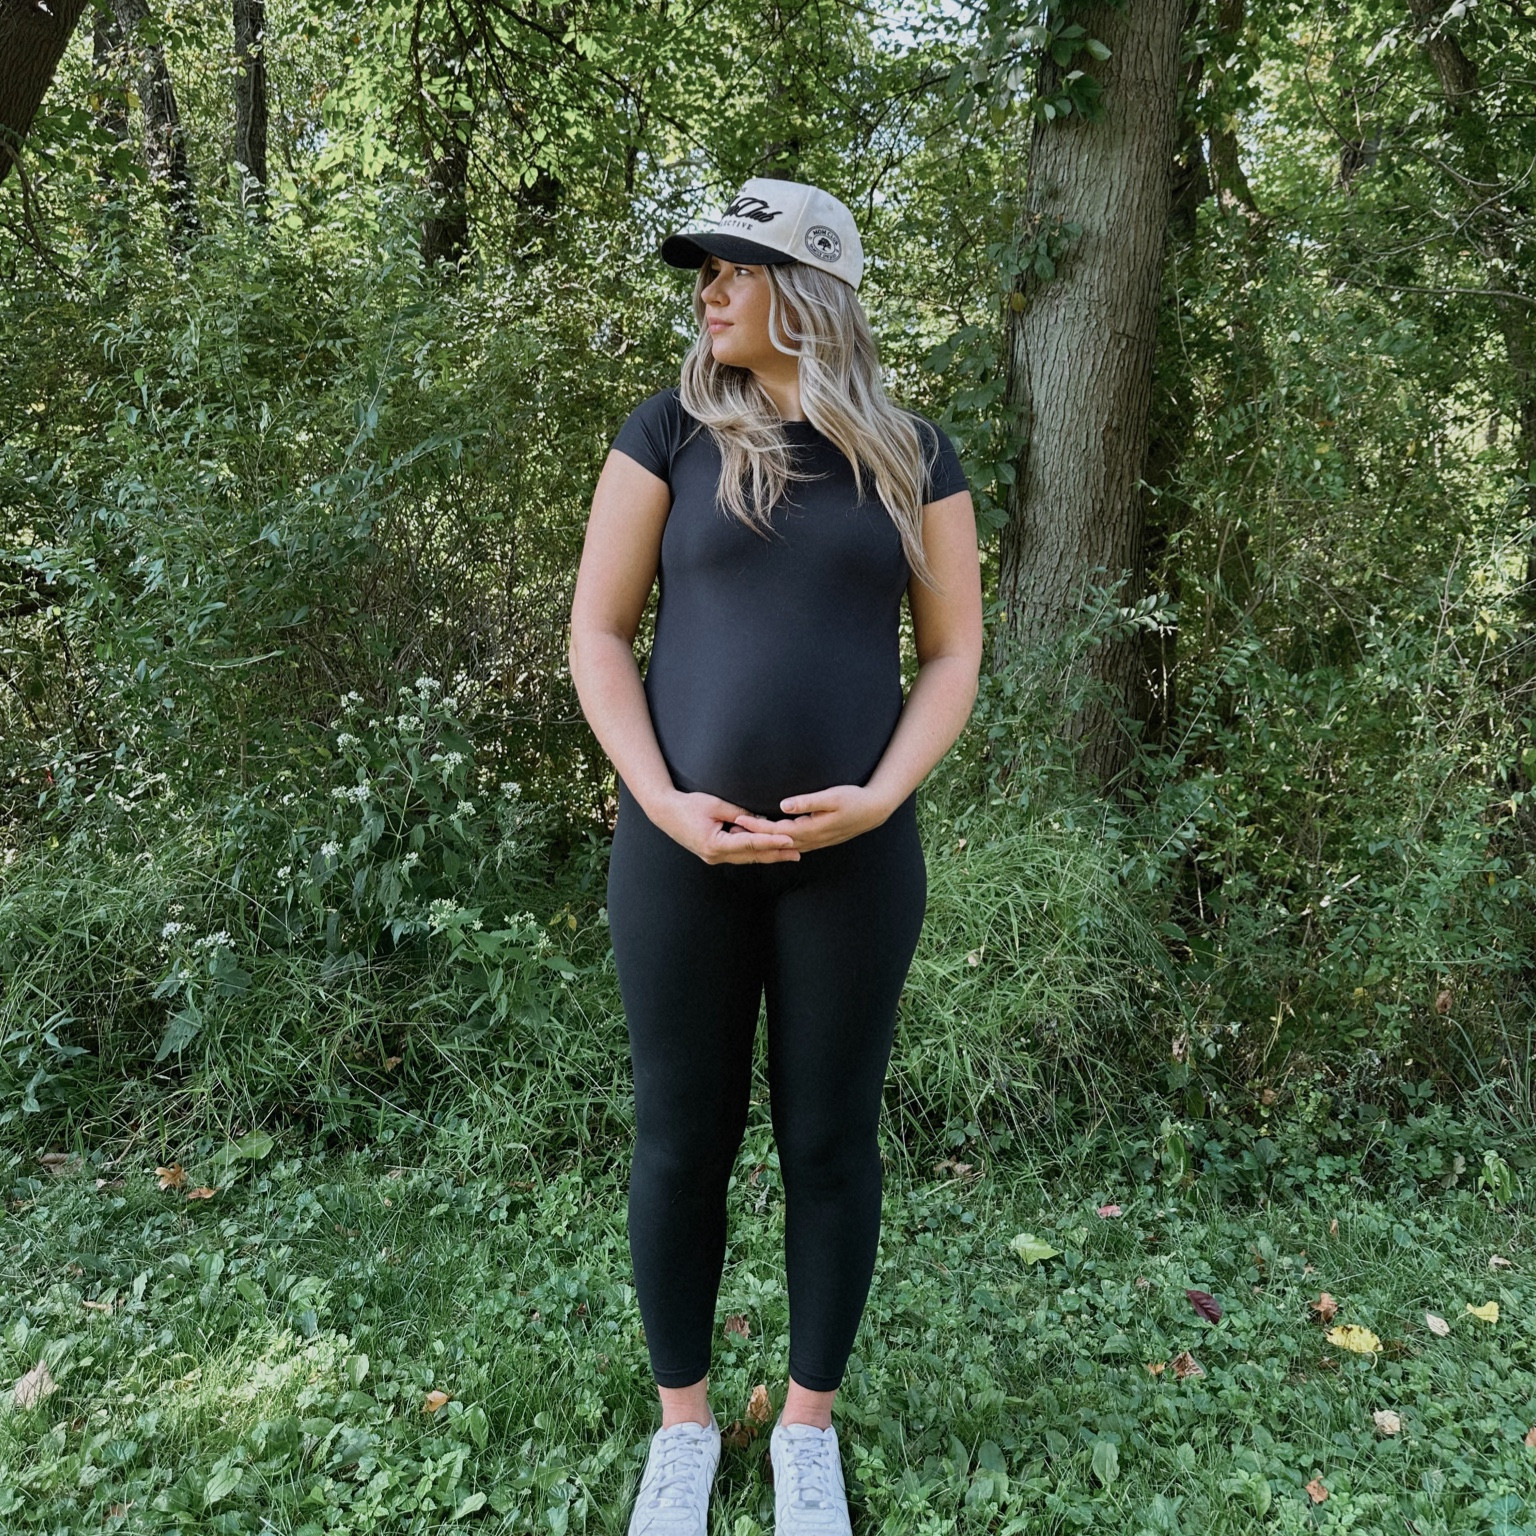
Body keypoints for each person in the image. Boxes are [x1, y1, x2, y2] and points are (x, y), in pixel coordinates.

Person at [568, 176, 983, 1536]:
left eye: (734, 266)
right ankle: (683, 1429)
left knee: (829, 1140)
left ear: (808, 283)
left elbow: (956, 654)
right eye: (704, 269)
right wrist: (662, 801)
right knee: (682, 1139)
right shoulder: (666, 435)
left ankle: (808, 1428)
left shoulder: (913, 454)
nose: (707, 287)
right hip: (678, 858)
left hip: (854, 867)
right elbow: (597, 636)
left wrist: (881, 795)